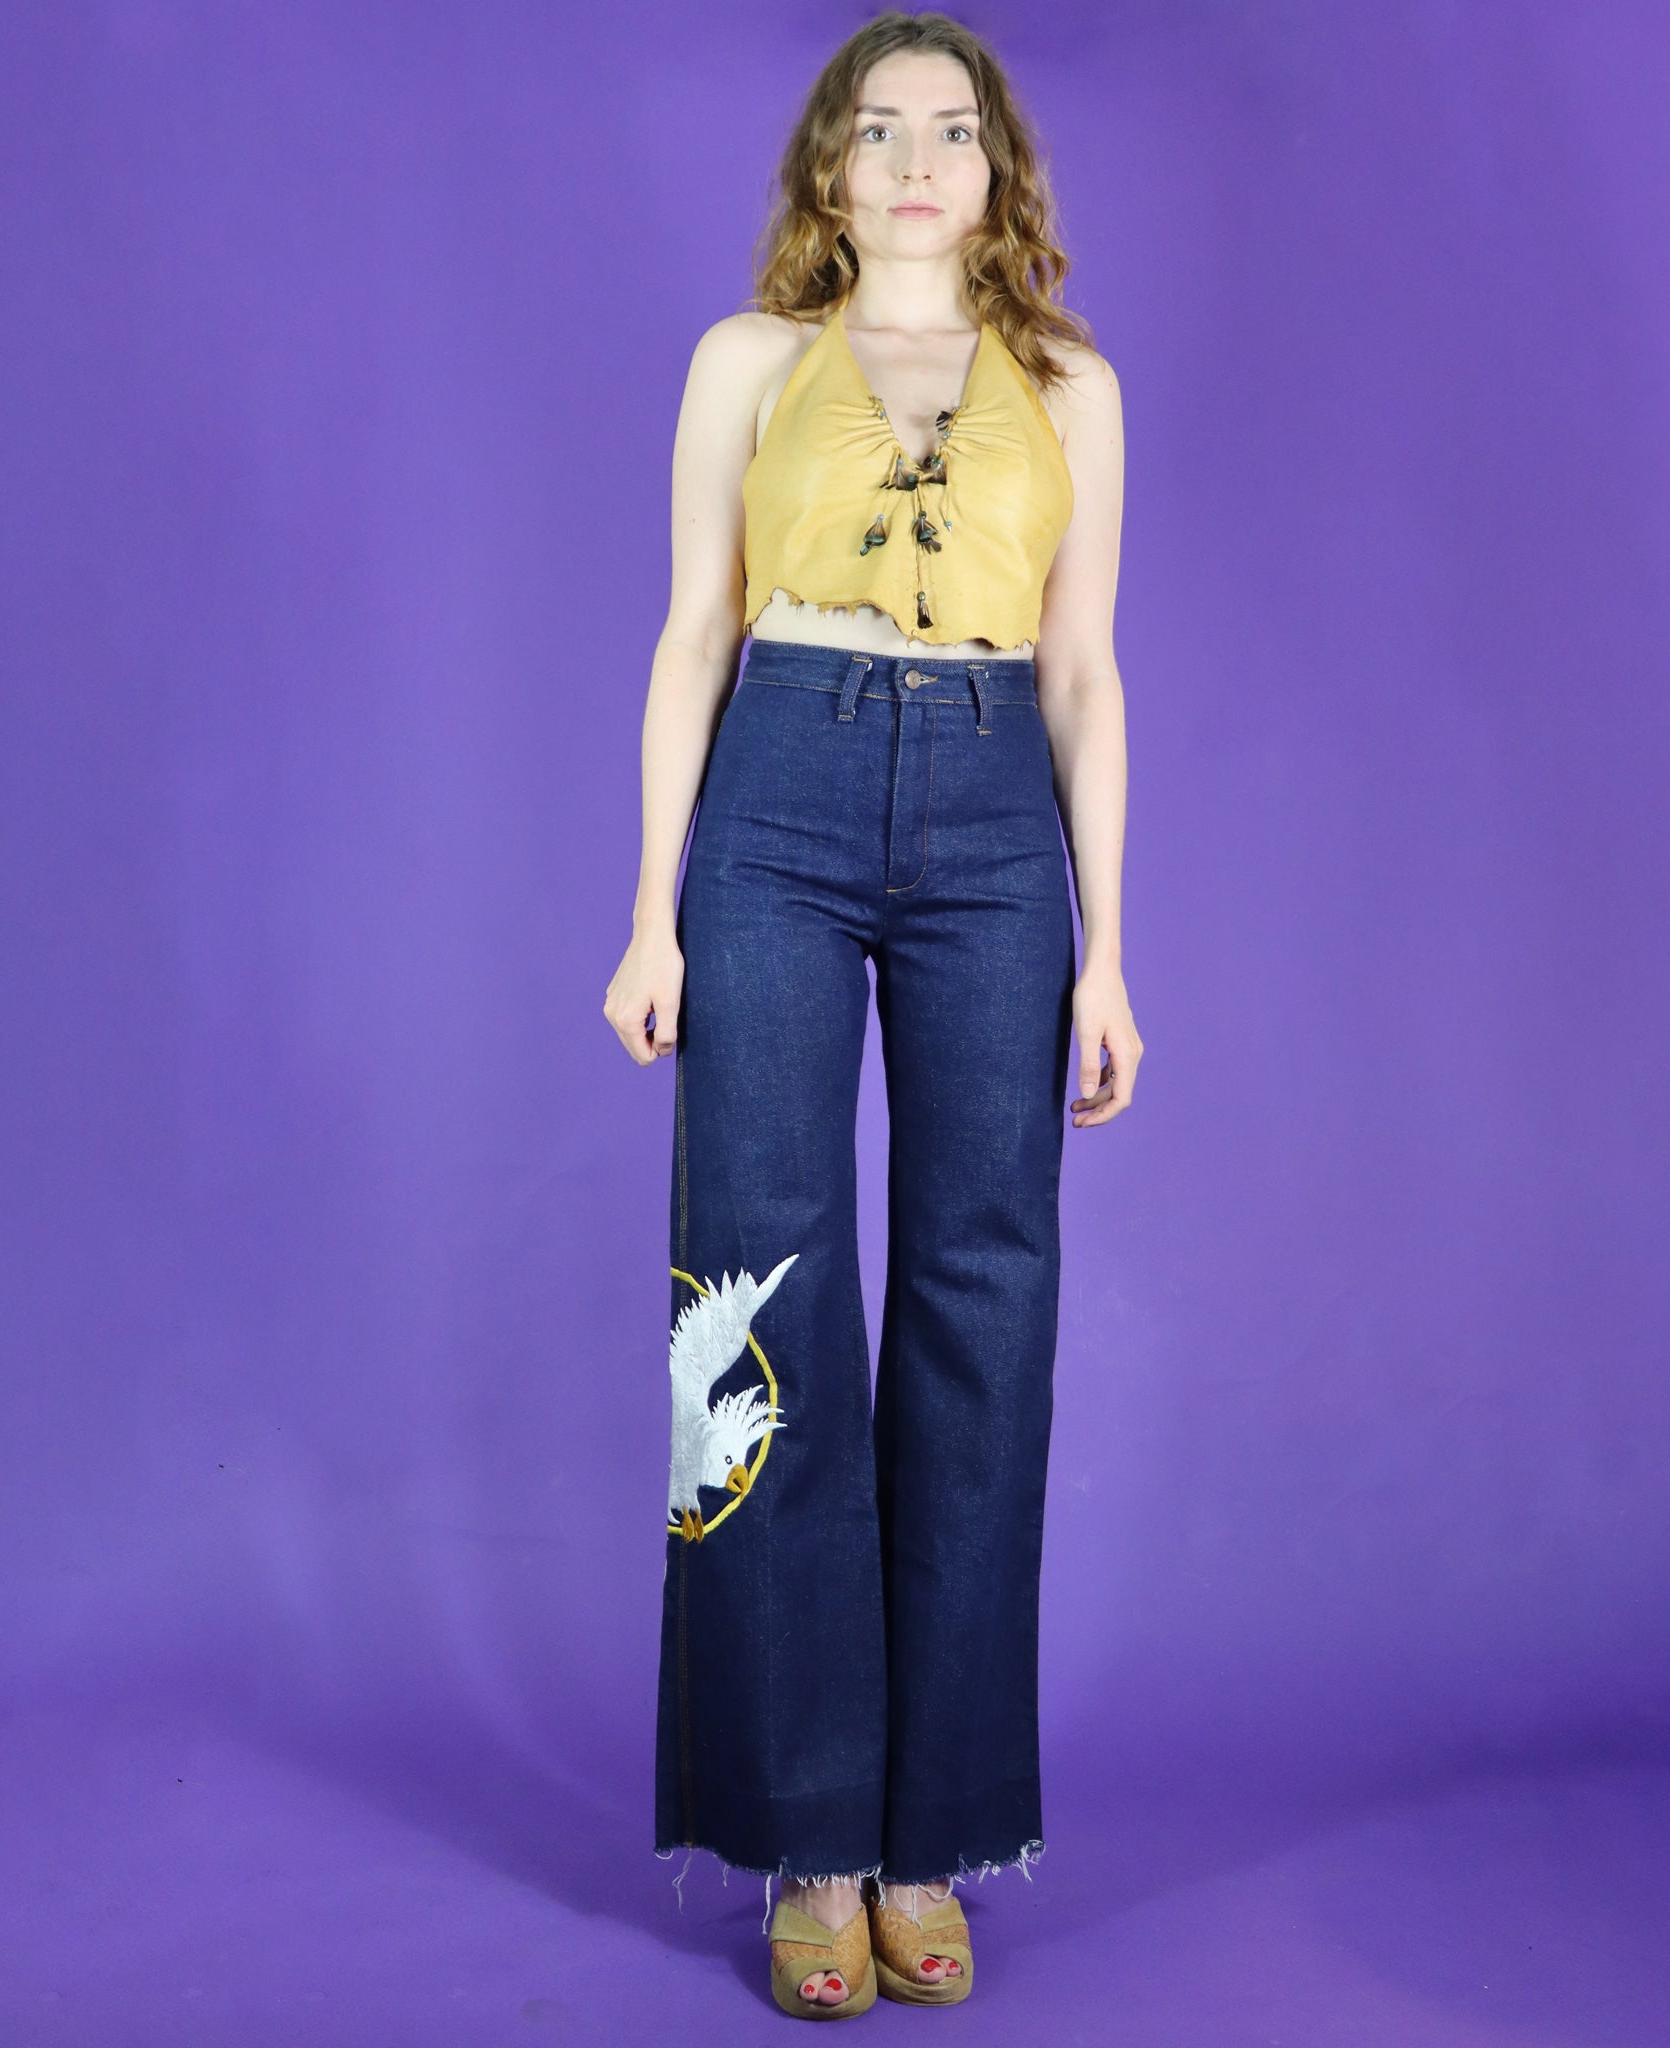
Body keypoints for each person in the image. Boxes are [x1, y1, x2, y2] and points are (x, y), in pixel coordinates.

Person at [602, 8, 1141, 2018]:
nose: (918, 160)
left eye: (953, 130)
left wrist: (1109, 949)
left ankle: (934, 1837)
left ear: (997, 174)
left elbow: (1084, 674)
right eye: (881, 128)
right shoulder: (744, 365)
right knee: (758, 1287)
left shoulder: (1070, 386)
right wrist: (647, 913)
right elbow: (692, 633)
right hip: (778, 802)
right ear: (828, 168)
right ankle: (809, 1841)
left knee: (984, 1299)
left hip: (996, 821)